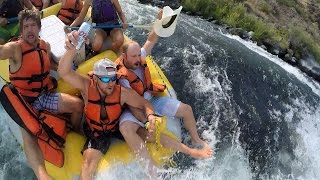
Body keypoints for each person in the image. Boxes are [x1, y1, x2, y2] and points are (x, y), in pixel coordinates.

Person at [115, 10, 213, 169]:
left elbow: (152, 38)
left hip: (151, 99)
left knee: (186, 110)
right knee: (128, 128)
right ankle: (151, 168)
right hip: (135, 106)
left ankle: (196, 140)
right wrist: (147, 120)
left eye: (138, 55)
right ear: (124, 57)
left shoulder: (139, 57)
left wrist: (159, 20)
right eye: (133, 56)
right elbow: (133, 103)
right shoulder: (120, 76)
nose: (138, 59)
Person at [58, 31, 160, 179]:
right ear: (96, 78)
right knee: (87, 164)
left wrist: (151, 116)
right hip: (96, 132)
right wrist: (71, 49)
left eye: (112, 78)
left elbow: (144, 103)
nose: (110, 83)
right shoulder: (86, 86)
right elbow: (64, 72)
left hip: (115, 126)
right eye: (105, 80)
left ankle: (184, 152)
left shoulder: (122, 92)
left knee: (151, 135)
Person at [0, 9, 83, 180]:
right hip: (23, 102)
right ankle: (42, 175)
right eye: (26, 27)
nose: (30, 29)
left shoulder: (45, 45)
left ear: (39, 28)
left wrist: (72, 65)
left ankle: (75, 133)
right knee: (29, 133)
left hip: (43, 95)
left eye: (33, 26)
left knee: (78, 105)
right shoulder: (14, 49)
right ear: (21, 31)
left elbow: (51, 65)